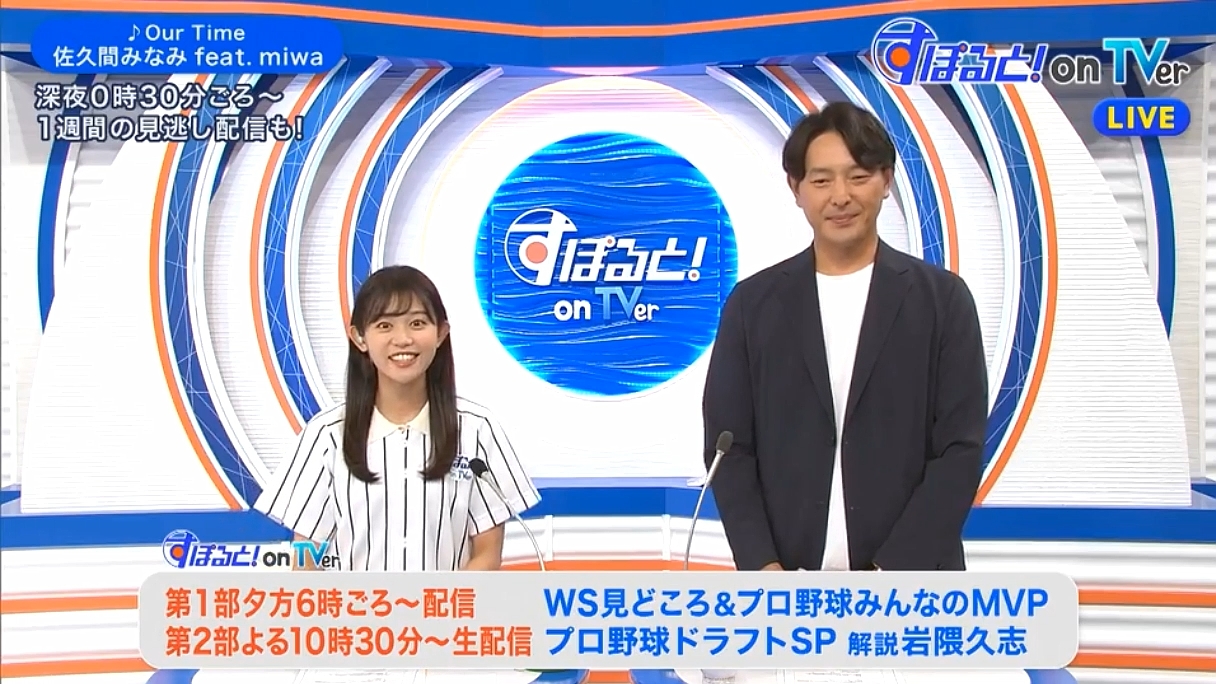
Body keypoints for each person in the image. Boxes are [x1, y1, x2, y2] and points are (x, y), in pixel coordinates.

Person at [701, 102, 988, 572]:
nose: (841, 196)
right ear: (796, 188)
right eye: (821, 180)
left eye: (858, 177)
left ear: (886, 181)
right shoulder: (753, 305)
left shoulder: (942, 300)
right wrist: (763, 567)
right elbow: (729, 450)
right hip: (786, 586)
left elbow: (960, 449)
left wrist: (893, 574)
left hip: (912, 585)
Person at [254, 265, 541, 571]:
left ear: (441, 333)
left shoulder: (476, 430)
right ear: (359, 338)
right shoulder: (326, 435)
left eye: (417, 323)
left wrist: (441, 603)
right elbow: (306, 559)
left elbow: (486, 554)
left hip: (447, 603)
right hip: (355, 604)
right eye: (385, 325)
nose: (403, 339)